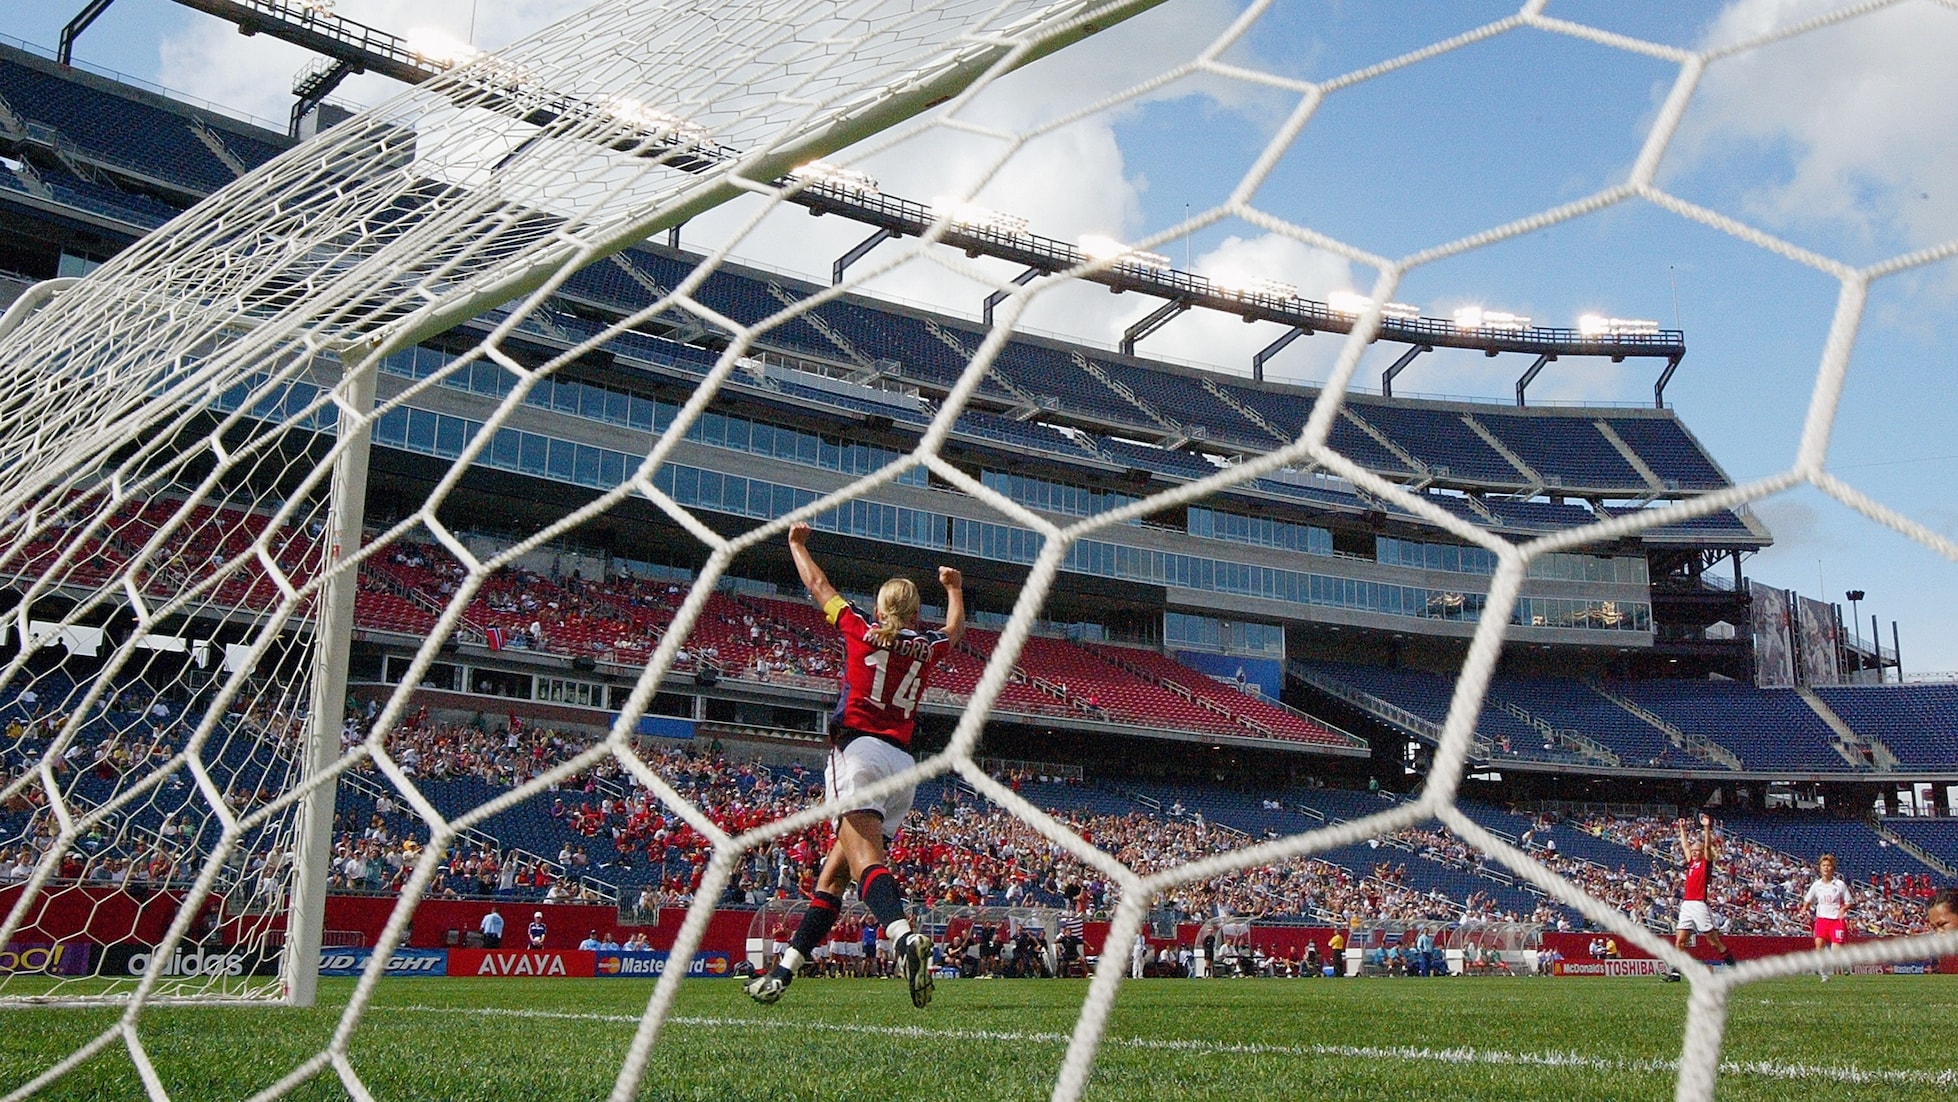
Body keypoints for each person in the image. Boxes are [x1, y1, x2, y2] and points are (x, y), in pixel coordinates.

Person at [745, 522, 964, 1010]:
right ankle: (783, 972)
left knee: (866, 862)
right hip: (903, 765)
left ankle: (904, 937)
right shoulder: (926, 648)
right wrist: (955, 589)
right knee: (833, 879)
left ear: (881, 606)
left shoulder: (859, 628)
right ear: (915, 611)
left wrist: (797, 545)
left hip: (859, 752)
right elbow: (954, 631)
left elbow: (817, 585)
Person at [1672, 813, 1736, 976]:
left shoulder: (1705, 864)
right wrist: (1682, 828)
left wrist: (1706, 827)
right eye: (1693, 850)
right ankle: (1675, 972)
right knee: (1680, 941)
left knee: (1713, 941)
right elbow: (1685, 846)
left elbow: (1707, 847)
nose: (1693, 852)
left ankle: (1732, 965)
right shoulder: (1692, 863)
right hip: (1687, 903)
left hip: (1699, 903)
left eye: (1696, 850)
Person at [1801, 854, 1853, 981]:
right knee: (1819, 946)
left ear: (1833, 868)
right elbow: (1808, 900)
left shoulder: (1839, 884)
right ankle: (1824, 974)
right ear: (1820, 868)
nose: (1826, 868)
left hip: (1836, 921)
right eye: (1824, 865)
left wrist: (1843, 909)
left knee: (1836, 951)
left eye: (1828, 865)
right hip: (1822, 920)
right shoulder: (1816, 885)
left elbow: (1849, 902)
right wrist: (1803, 910)